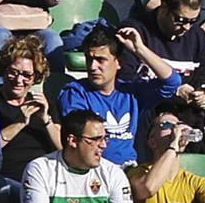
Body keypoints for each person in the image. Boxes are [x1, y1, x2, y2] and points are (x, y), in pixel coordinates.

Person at [122, 0, 205, 168]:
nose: (186, 27)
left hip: (190, 110)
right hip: (152, 108)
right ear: (163, 7)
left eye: (192, 21)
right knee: (140, 111)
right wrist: (173, 91)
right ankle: (141, 172)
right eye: (180, 20)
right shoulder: (136, 32)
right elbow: (126, 82)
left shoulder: (195, 35)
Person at [57, 26, 181, 166]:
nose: (92, 67)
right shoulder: (75, 93)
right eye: (89, 59)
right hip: (93, 168)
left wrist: (139, 49)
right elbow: (80, 136)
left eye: (100, 60)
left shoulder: (131, 92)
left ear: (119, 63)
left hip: (129, 167)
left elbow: (172, 82)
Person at [0, 35, 59, 182]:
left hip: (44, 177)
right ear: (3, 70)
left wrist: (47, 120)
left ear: (35, 78)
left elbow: (64, 148)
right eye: (13, 72)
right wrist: (19, 123)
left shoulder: (43, 104)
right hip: (6, 177)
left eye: (27, 75)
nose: (19, 80)